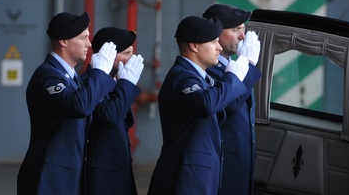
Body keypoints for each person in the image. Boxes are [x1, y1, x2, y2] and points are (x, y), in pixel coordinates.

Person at [17, 12, 119, 195]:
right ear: (64, 41)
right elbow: (78, 106)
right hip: (49, 175)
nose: (89, 44)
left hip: (68, 172)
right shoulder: (48, 75)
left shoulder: (72, 78)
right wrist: (100, 73)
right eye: (84, 38)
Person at [147, 16, 250, 195]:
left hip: (200, 174)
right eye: (213, 42)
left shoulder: (201, 77)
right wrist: (232, 78)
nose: (219, 47)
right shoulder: (182, 76)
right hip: (187, 177)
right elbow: (206, 104)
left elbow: (221, 109)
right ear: (194, 46)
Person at [202, 3, 262, 194]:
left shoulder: (232, 66)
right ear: (216, 33)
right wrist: (250, 64)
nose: (242, 36)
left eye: (243, 29)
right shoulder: (208, 68)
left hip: (241, 160)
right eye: (236, 29)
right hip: (223, 161)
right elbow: (230, 105)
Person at [85, 27, 145, 195]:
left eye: (132, 53)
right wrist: (126, 83)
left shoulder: (114, 82)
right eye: (126, 53)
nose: (131, 59)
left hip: (117, 170)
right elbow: (109, 116)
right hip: (100, 177)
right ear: (108, 54)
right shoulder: (91, 83)